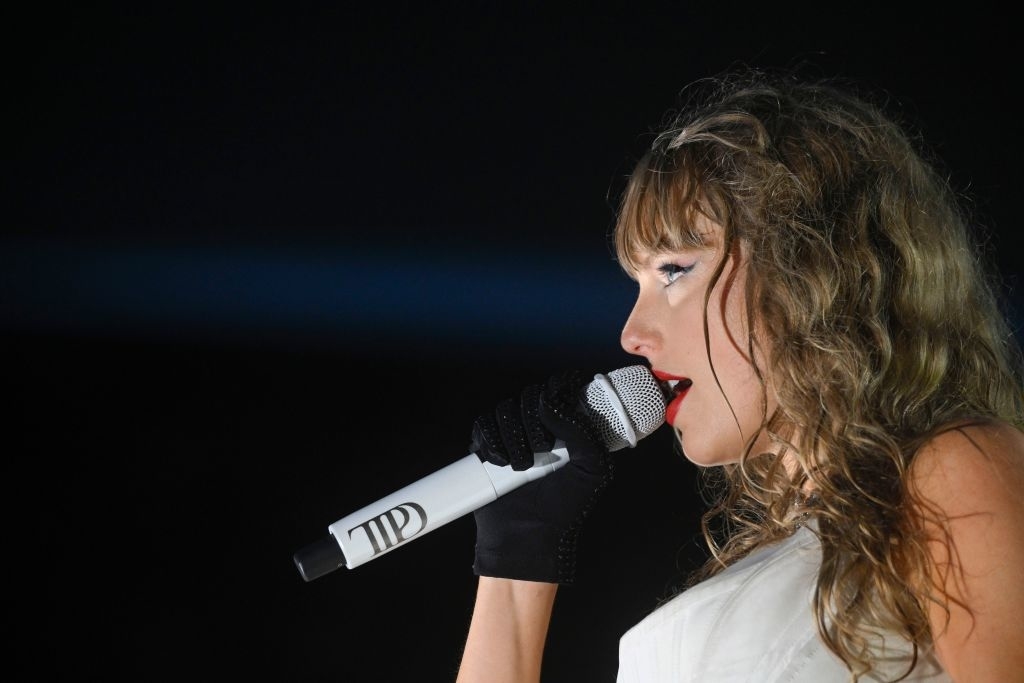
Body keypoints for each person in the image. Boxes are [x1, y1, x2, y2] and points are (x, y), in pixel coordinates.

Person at [453, 66, 1024, 682]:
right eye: (637, 283)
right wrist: (516, 562)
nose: (631, 334)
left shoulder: (955, 468)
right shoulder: (784, 558)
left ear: (809, 267)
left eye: (673, 269)